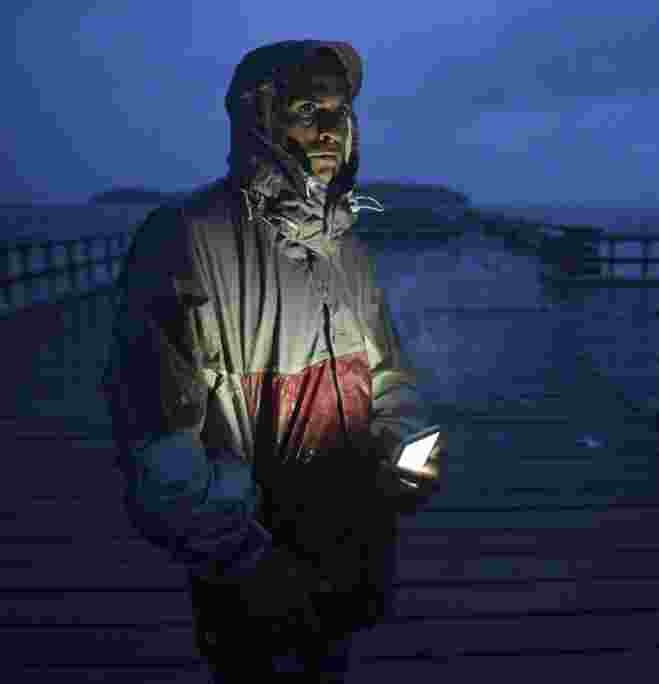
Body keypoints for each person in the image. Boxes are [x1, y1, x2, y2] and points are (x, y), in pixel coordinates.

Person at [99, 40, 444, 682]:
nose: (327, 129)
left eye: (339, 113)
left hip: (354, 538)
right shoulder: (180, 238)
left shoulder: (347, 248)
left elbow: (389, 375)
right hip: (253, 558)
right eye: (306, 108)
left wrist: (409, 449)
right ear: (255, 118)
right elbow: (155, 438)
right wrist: (244, 555)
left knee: (332, 662)